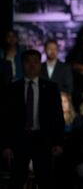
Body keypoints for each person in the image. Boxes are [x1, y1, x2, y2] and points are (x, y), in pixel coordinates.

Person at [0, 49, 64, 189]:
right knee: (16, 181)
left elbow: (58, 118)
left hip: (43, 140)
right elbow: (5, 119)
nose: (32, 65)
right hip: (19, 140)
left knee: (45, 181)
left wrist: (58, 143)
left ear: (40, 65)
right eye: (28, 62)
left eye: (35, 62)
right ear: (22, 64)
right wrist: (5, 145)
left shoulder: (51, 88)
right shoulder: (11, 89)